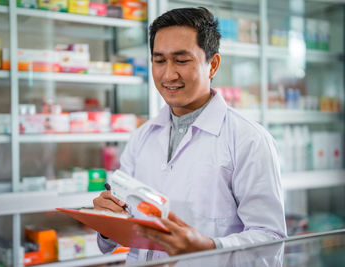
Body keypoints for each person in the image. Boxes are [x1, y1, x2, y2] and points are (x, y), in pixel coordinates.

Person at [93, 7, 287, 263]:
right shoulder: (142, 137)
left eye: (181, 60)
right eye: (159, 60)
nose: (168, 74)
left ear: (213, 64)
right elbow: (126, 223)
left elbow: (270, 238)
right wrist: (109, 221)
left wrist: (208, 246)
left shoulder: (248, 140)